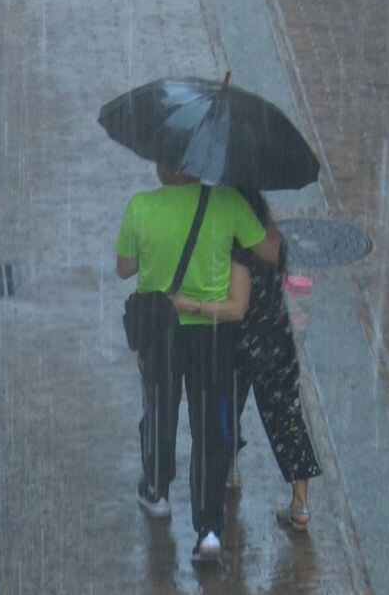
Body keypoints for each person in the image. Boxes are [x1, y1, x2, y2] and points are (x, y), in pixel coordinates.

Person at [116, 163, 279, 562]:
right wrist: (254, 212)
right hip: (212, 334)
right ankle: (208, 529)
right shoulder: (228, 204)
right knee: (210, 425)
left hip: (160, 330)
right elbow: (271, 252)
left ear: (165, 167)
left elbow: (124, 269)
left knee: (159, 408)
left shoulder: (140, 207)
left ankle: (156, 488)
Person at [174, 188, 322, 532]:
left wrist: (193, 305)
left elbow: (237, 306)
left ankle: (229, 467)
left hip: (241, 341)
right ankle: (300, 503)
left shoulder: (239, 251)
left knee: (227, 406)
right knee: (286, 416)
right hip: (276, 337)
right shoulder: (273, 241)